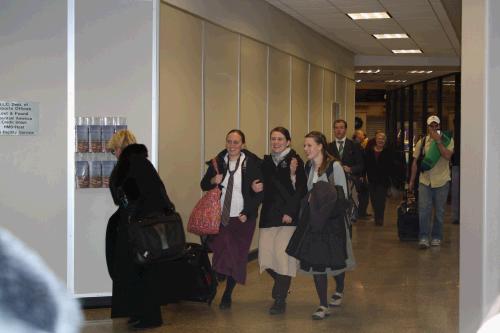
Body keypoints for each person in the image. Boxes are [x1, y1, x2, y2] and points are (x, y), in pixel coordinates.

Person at [107, 129, 173, 330]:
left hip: (137, 228)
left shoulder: (128, 165)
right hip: (144, 227)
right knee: (143, 270)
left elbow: (127, 196)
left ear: (120, 148)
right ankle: (142, 313)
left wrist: (131, 216)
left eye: (114, 150)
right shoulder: (142, 163)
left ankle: (146, 316)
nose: (114, 154)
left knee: (138, 271)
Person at [287, 131, 354, 320]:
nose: (306, 149)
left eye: (309, 145)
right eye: (305, 145)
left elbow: (343, 198)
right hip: (314, 223)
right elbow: (304, 192)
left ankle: (339, 288)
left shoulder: (335, 167)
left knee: (335, 262)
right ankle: (323, 304)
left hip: (333, 223)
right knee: (317, 263)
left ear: (320, 146)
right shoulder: (309, 166)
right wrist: (293, 175)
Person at [200, 129, 263, 310]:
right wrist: (214, 179)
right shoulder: (218, 162)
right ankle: (213, 286)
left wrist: (249, 212)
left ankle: (227, 294)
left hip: (243, 218)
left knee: (237, 256)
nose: (232, 146)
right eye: (229, 141)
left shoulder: (251, 163)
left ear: (243, 144)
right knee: (220, 250)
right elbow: (203, 184)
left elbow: (260, 192)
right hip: (222, 217)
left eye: (236, 142)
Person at [256, 127, 307, 315]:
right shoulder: (266, 161)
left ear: (288, 141)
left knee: (283, 257)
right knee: (266, 258)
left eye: (280, 139)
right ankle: (283, 284)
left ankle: (279, 299)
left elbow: (301, 189)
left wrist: (290, 212)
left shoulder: (295, 160)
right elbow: (259, 181)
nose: (276, 142)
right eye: (273, 139)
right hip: (268, 216)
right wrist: (255, 186)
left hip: (287, 217)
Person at [409, 115, 454, 249]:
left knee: (439, 212)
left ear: (439, 126)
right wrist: (411, 181)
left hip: (442, 181)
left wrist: (438, 142)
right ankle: (423, 237)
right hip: (425, 182)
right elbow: (415, 162)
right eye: (431, 126)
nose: (434, 128)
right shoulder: (422, 142)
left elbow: (447, 156)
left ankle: (436, 237)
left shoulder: (447, 140)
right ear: (427, 127)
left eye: (436, 125)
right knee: (424, 211)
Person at [364, 131, 394, 226]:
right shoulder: (369, 151)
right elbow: (365, 165)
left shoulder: (388, 152)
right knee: (373, 200)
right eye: (379, 139)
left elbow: (391, 167)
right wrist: (364, 176)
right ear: (375, 140)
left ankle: (379, 218)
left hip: (383, 181)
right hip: (371, 180)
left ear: (385, 141)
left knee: (380, 200)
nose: (380, 140)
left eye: (383, 139)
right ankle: (377, 216)